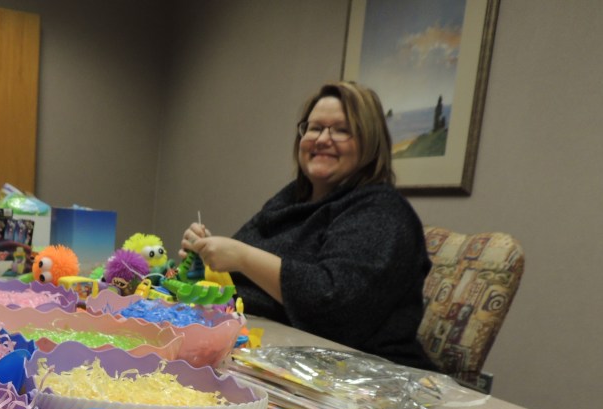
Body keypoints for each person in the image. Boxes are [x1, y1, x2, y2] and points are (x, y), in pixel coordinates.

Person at [179, 81, 435, 369]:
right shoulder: (289, 200)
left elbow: (334, 304)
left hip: (363, 378)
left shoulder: (382, 212)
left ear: (369, 143)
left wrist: (242, 256)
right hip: (276, 354)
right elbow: (240, 277)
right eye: (314, 128)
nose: (323, 139)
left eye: (341, 130)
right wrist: (206, 259)